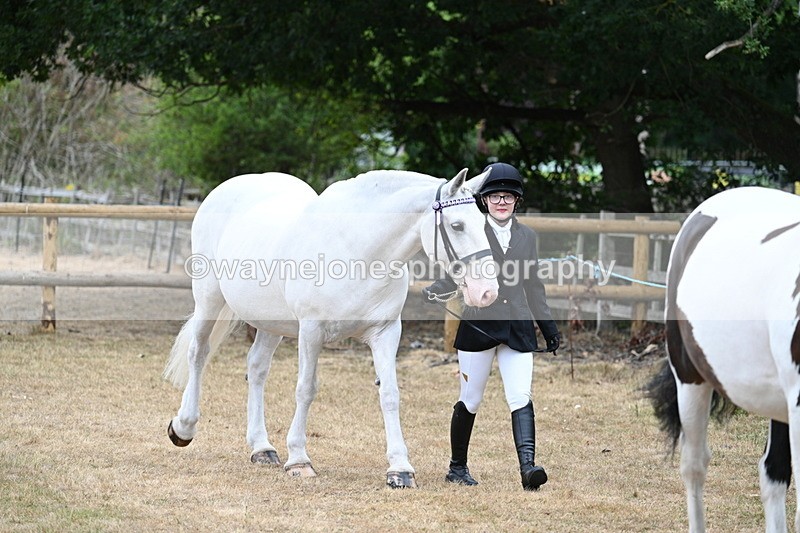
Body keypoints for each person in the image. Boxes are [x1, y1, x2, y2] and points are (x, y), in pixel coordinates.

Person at [423, 162, 561, 491]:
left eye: (509, 196)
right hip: (479, 327)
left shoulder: (527, 236)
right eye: (496, 196)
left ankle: (528, 469)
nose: (502, 201)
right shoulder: (475, 228)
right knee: (470, 398)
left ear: (517, 201)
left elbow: (533, 286)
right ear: (485, 200)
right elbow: (459, 265)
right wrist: (437, 287)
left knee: (521, 396)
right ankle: (457, 467)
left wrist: (549, 327)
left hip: (517, 327)